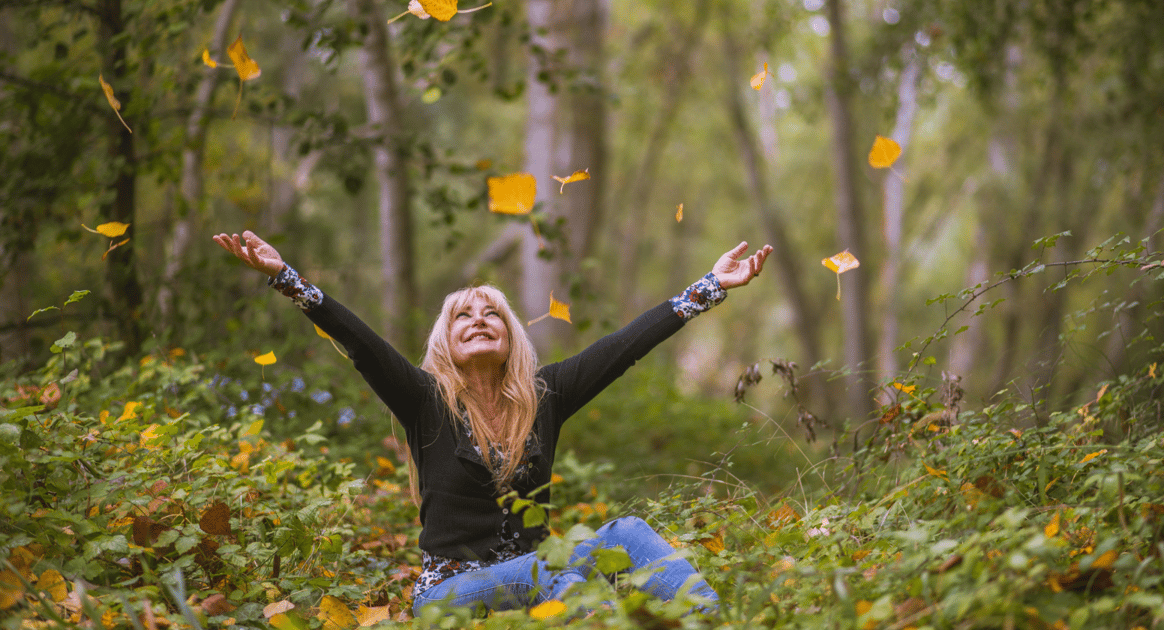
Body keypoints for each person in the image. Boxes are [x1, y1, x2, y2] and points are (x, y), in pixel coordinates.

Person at [213, 230, 772, 616]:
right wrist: (285, 276)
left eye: (492, 315)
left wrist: (710, 286)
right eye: (463, 315)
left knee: (624, 535)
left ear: (510, 338)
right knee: (552, 573)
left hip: (539, 571)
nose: (479, 320)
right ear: (445, 341)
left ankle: (710, 619)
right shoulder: (424, 400)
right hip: (449, 593)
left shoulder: (544, 397)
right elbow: (358, 341)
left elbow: (624, 346)